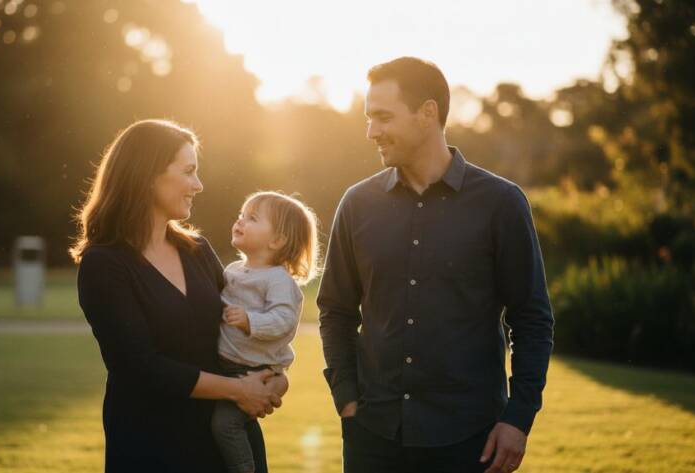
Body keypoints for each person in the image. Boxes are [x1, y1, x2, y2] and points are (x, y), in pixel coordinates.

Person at [318, 57, 555, 473]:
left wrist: (518, 419)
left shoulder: (500, 203)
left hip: (470, 441)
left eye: (383, 117)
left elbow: (531, 318)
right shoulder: (357, 204)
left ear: (427, 113)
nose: (371, 132)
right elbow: (335, 310)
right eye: (369, 118)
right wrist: (347, 398)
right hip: (373, 437)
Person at [71, 119, 286, 473]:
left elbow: (240, 326)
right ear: (147, 174)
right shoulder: (104, 264)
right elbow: (140, 366)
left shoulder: (197, 250)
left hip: (227, 443)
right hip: (153, 444)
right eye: (189, 171)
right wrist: (238, 391)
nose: (198, 185)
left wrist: (274, 376)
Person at [212, 191, 319, 473]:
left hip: (250, 372)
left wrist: (251, 321)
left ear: (277, 240)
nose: (240, 221)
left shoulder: (278, 280)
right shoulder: (233, 270)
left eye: (252, 218)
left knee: (225, 424)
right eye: (241, 215)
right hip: (223, 367)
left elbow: (284, 319)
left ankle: (245, 468)